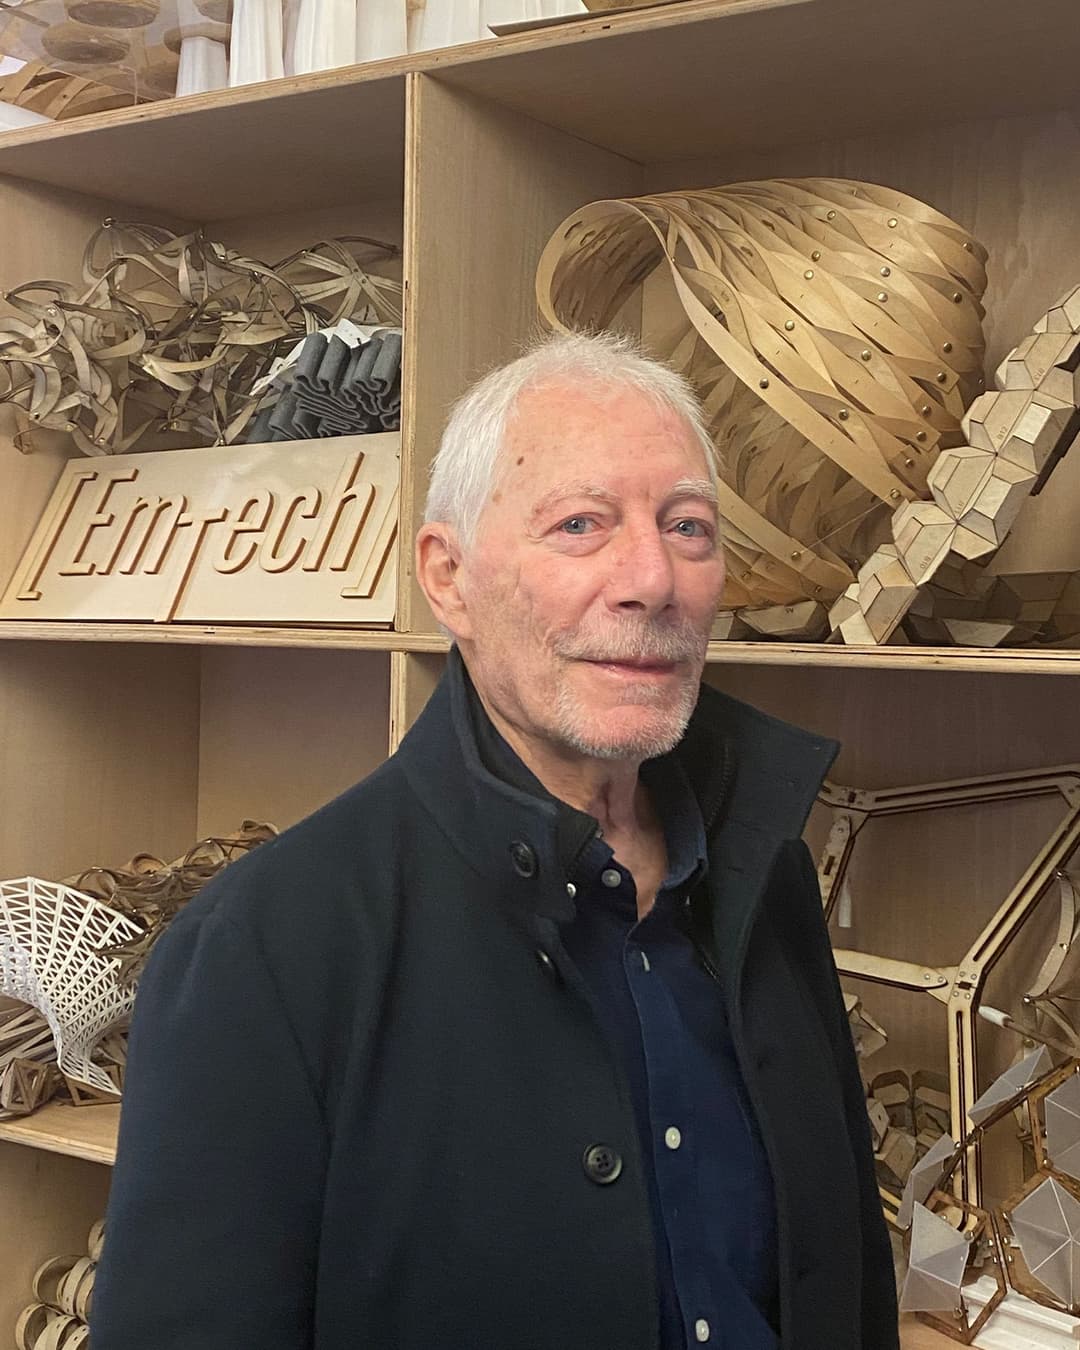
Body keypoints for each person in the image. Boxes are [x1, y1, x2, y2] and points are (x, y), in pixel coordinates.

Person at [91, 332, 899, 1350]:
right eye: (580, 524)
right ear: (450, 578)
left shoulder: (763, 868)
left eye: (687, 527)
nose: (652, 578)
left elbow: (845, 1274)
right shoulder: (266, 949)